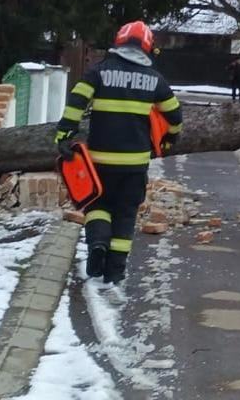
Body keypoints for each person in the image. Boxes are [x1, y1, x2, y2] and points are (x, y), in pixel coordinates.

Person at [54, 21, 182, 284]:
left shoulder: (98, 72)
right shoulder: (155, 80)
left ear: (119, 42)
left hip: (99, 160)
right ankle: (116, 270)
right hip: (135, 165)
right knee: (125, 213)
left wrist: (65, 135)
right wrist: (170, 139)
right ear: (148, 47)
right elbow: (175, 116)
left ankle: (98, 243)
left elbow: (76, 102)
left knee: (97, 204)